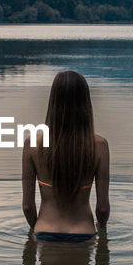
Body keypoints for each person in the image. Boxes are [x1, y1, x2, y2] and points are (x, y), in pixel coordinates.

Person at [22, 70, 109, 241]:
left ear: (53, 102)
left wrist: (36, 229)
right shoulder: (99, 146)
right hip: (84, 234)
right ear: (85, 103)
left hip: (44, 232)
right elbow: (103, 209)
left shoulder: (32, 144)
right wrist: (102, 230)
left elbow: (27, 207)